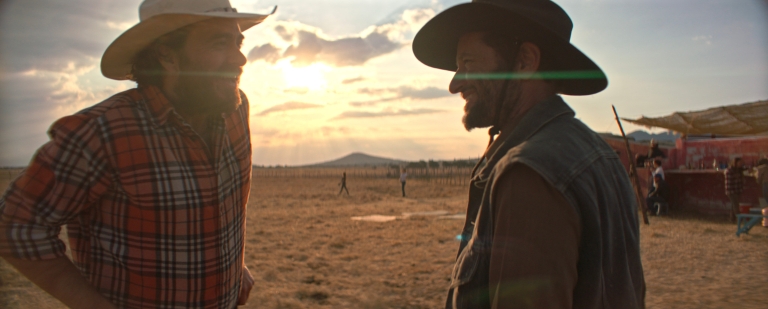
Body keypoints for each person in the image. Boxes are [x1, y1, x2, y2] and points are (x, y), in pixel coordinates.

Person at [0, 1, 273, 308]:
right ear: (167, 55)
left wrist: (234, 269)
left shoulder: (234, 109)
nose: (240, 58)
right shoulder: (103, 132)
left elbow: (219, 209)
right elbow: (15, 225)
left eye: (237, 42)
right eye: (218, 42)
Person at [412, 0, 645, 308]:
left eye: (468, 63)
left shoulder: (529, 172)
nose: (455, 83)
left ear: (524, 60)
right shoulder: (603, 154)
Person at [725, 157, 744, 222]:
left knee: (734, 205)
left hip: (737, 190)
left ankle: (732, 219)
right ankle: (739, 219)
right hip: (732, 191)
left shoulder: (738, 170)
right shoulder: (730, 171)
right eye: (740, 163)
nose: (741, 164)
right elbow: (730, 182)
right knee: (736, 205)